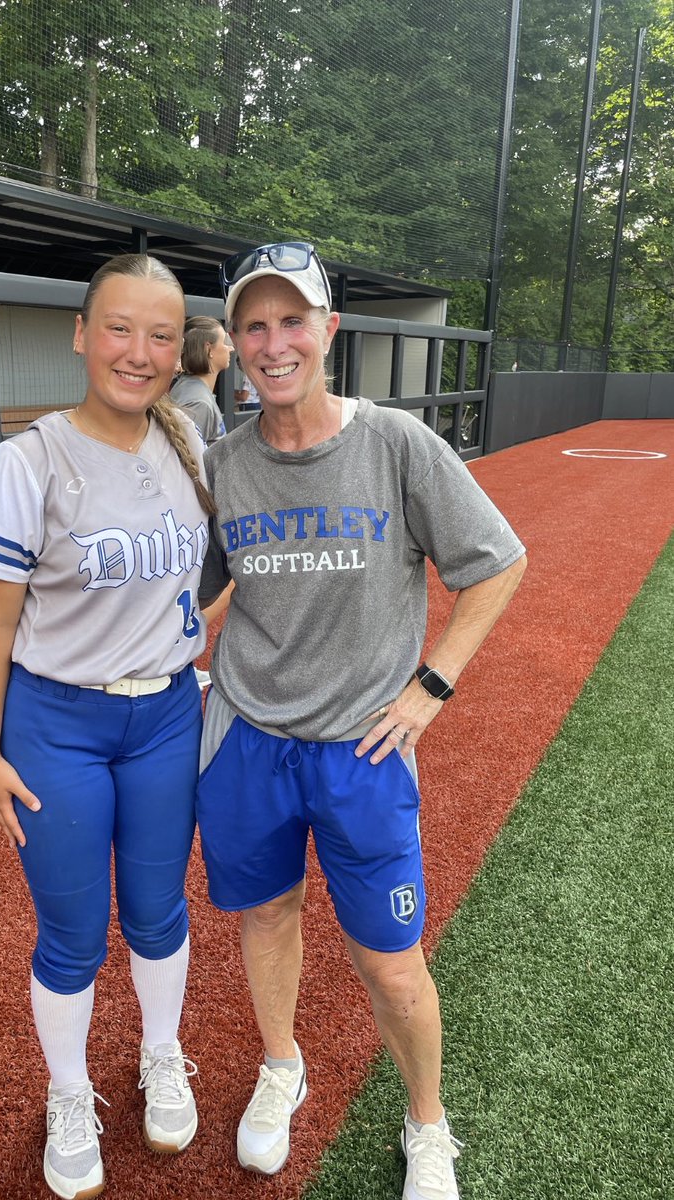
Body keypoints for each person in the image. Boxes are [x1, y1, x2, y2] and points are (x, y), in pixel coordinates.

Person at [196, 241, 527, 1200]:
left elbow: (496, 562)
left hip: (363, 749)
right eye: (254, 326)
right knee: (266, 912)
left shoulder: (394, 445)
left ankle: (428, 1122)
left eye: (291, 320)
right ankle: (281, 1066)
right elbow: (208, 593)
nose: (272, 342)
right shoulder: (224, 462)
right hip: (248, 738)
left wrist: (432, 685)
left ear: (327, 331)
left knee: (390, 964)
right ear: (236, 343)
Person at [0, 253, 216, 1200]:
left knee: (157, 911)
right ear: (80, 333)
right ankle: (69, 1094)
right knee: (72, 931)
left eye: (159, 334)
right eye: (118, 328)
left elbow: (196, 572)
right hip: (55, 722)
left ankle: (160, 1053)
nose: (138, 352)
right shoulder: (25, 463)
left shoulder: (185, 437)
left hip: (162, 716)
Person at [169, 315, 231, 445]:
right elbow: (185, 458)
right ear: (208, 349)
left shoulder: (188, 386)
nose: (231, 348)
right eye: (225, 342)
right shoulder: (198, 403)